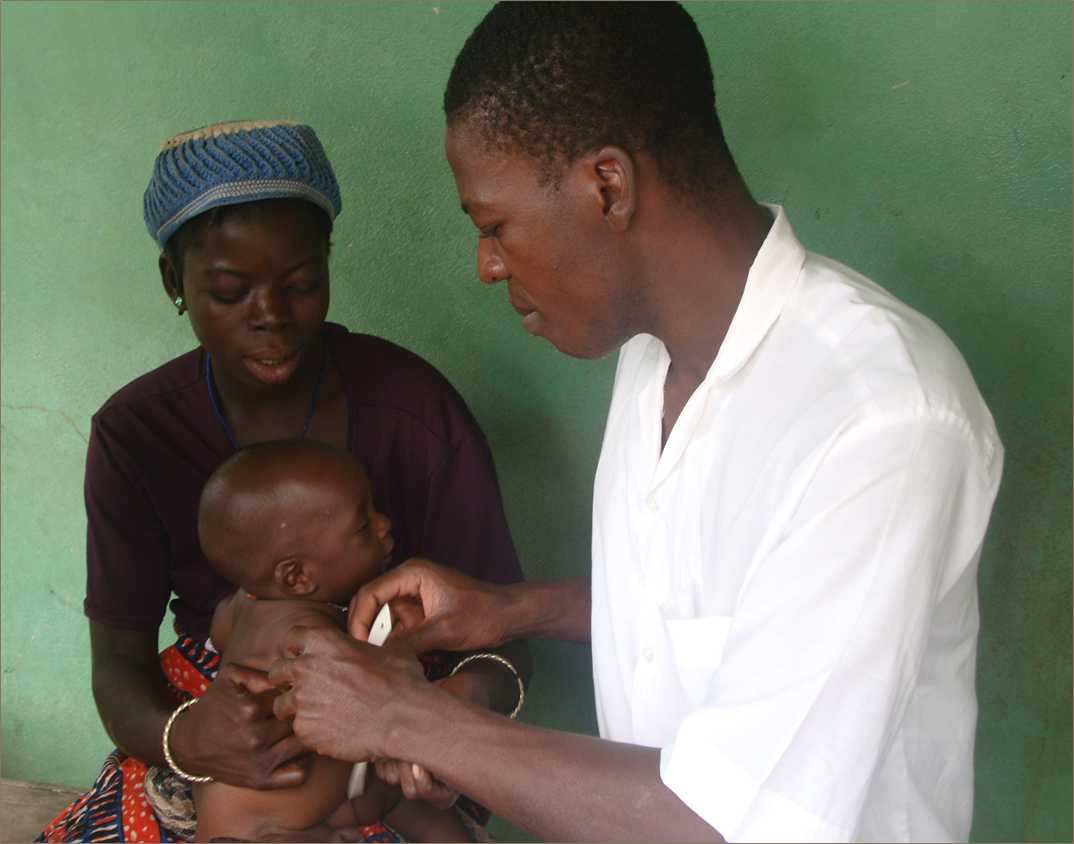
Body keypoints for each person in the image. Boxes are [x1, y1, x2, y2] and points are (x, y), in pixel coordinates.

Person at [259, 5, 1004, 843]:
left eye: (494, 225)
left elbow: (716, 822)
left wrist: (402, 718)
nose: (487, 265)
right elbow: (718, 615)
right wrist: (512, 610)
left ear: (608, 188)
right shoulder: (651, 352)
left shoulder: (879, 420)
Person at [39, 119, 529, 843]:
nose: (271, 317)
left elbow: (504, 637)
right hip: (209, 731)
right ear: (175, 282)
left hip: (394, 749)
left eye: (300, 284)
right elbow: (118, 665)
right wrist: (191, 737)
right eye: (229, 291)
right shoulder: (137, 433)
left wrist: (448, 710)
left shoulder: (415, 414)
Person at [192, 439, 473, 843]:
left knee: (416, 805)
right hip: (269, 831)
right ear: (297, 577)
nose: (384, 524)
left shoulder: (242, 605)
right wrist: (403, 637)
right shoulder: (307, 635)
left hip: (300, 806)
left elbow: (221, 634)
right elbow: (379, 681)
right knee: (427, 810)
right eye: (363, 526)